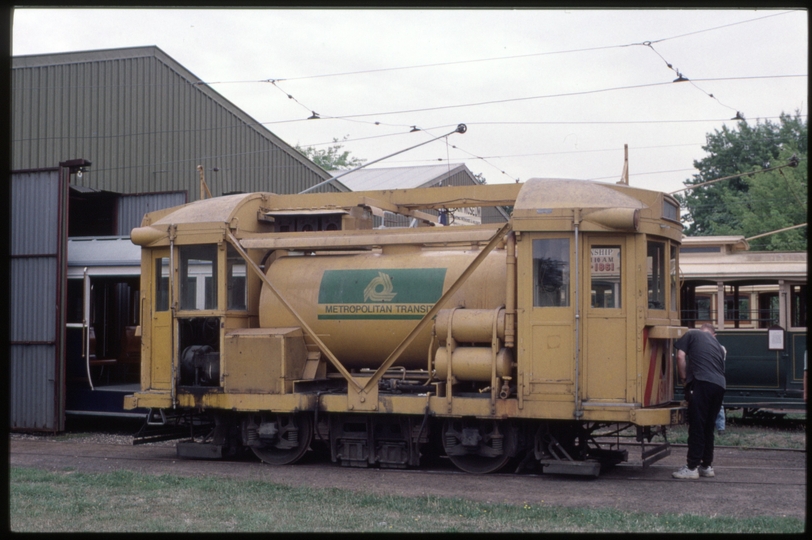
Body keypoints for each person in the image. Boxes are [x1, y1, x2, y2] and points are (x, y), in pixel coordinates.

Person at [672, 323, 726, 479]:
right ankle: (706, 466)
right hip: (720, 385)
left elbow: (681, 356)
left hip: (702, 383)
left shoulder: (691, 334)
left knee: (697, 425)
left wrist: (683, 379)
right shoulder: (716, 343)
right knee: (708, 426)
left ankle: (691, 467)